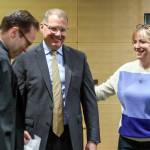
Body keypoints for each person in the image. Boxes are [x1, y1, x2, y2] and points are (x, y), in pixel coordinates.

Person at [13, 8, 100, 150]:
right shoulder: (24, 59)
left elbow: (89, 101)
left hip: (70, 136)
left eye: (63, 30)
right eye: (53, 29)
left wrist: (93, 139)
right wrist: (18, 129)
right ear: (42, 27)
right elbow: (15, 101)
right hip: (34, 136)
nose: (59, 34)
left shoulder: (79, 59)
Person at [95, 24, 150, 150]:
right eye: (134, 42)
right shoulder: (125, 70)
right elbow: (100, 93)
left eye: (142, 42)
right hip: (127, 141)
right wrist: (75, 87)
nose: (137, 46)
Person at [0, 10, 39, 150]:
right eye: (27, 43)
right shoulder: (2, 62)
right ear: (14, 33)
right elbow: (2, 117)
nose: (25, 50)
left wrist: (17, 132)